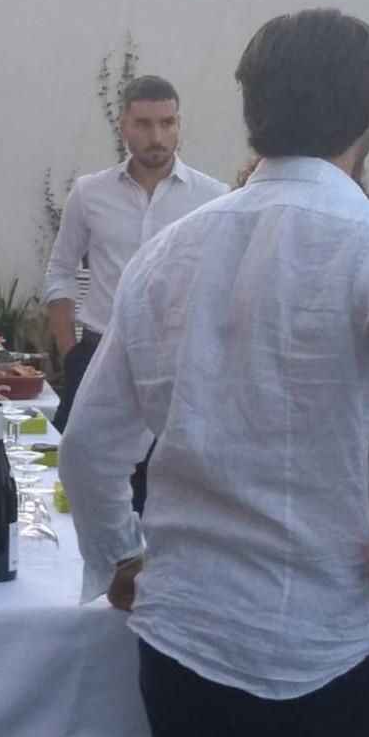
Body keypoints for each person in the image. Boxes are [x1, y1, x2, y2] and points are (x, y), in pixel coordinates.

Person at [58, 9, 369, 737]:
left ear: (251, 107)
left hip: (183, 637)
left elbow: (89, 443)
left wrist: (118, 554)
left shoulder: (168, 249)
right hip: (317, 641)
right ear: (367, 113)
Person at [43, 76, 227, 513]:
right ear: (123, 125)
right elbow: (60, 270)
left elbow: (221, 284)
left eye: (168, 123)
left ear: (179, 124)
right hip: (96, 354)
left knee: (165, 495)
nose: (157, 136)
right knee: (79, 484)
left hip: (174, 367)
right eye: (144, 123)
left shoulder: (213, 198)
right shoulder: (90, 193)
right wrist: (70, 351)